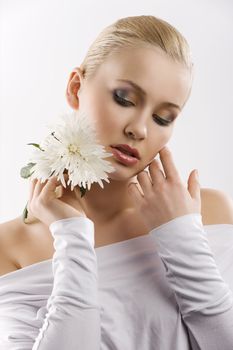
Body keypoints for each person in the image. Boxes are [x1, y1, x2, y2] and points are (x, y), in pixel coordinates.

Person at [0, 14, 233, 350]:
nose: (139, 128)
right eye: (124, 98)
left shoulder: (208, 214)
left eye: (162, 118)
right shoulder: (10, 248)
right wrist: (72, 239)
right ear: (76, 88)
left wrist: (181, 238)